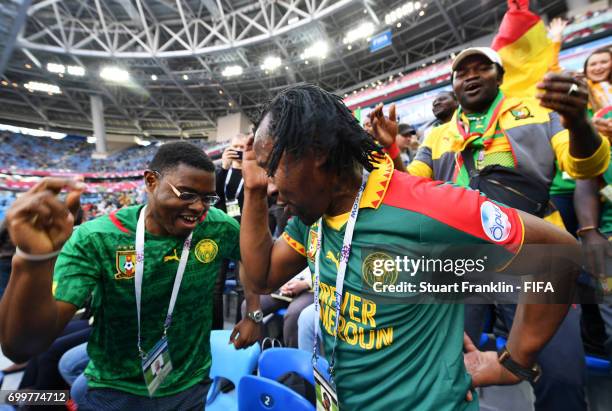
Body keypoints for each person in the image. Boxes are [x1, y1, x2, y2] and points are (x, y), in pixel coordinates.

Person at [239, 84, 580, 410]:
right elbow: (263, 275)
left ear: (318, 152)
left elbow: (557, 256)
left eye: (273, 170)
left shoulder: (429, 207)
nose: (271, 188)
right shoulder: (311, 214)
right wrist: (252, 189)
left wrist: (515, 360)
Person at [371, 46, 609, 411]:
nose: (470, 75)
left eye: (481, 68)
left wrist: (579, 123)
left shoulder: (538, 112)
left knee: (561, 378)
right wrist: (392, 151)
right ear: (453, 85)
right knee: (443, 372)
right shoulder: (438, 136)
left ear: (500, 75)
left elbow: (584, 164)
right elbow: (409, 189)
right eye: (461, 72)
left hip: (537, 259)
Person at [0, 142, 261, 410]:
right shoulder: (97, 238)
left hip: (191, 385)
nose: (198, 208)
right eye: (186, 194)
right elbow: (22, 346)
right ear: (150, 181)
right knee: (62, 363)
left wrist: (253, 311)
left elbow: (249, 257)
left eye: (207, 198)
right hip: (114, 390)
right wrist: (32, 261)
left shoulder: (218, 226)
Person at [213, 134, 247, 329]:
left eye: (242, 146)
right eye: (235, 146)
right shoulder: (222, 172)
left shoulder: (252, 171)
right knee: (216, 286)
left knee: (243, 287)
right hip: (222, 233)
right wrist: (223, 167)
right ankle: (216, 331)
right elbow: (213, 196)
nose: (238, 149)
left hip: (243, 235)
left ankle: (240, 328)